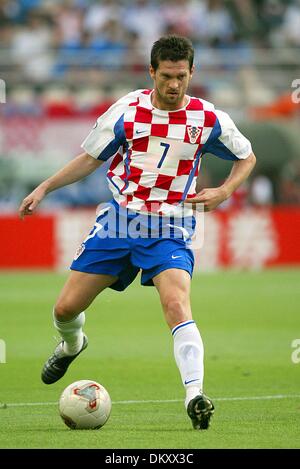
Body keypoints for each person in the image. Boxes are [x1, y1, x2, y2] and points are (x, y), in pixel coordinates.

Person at [19, 35, 256, 430]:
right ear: (152, 72)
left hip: (171, 225)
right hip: (119, 221)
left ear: (192, 72)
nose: (174, 85)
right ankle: (74, 344)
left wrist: (226, 190)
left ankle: (195, 396)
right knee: (65, 310)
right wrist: (44, 187)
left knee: (177, 305)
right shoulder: (128, 110)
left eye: (181, 76)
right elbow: (91, 158)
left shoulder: (208, 119)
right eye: (166, 76)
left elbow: (246, 156)